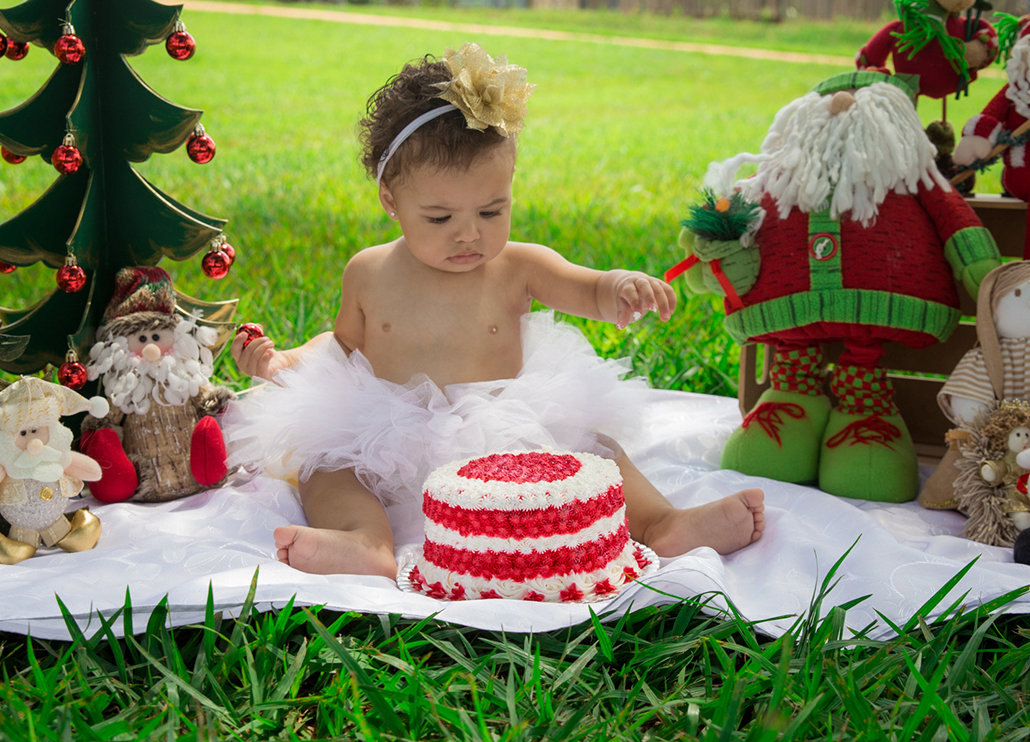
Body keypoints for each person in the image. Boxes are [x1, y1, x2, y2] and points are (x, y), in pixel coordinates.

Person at [227, 44, 765, 579]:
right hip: (389, 431)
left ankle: (661, 523)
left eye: (492, 210)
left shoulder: (517, 265)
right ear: (390, 199)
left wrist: (619, 286)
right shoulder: (368, 271)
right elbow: (344, 346)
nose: (470, 233)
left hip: (507, 425)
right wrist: (286, 361)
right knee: (328, 466)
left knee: (596, 452)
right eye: (439, 217)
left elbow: (585, 288)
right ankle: (364, 540)